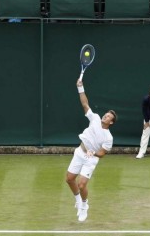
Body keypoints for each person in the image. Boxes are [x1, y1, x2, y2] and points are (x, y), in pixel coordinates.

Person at [65, 77, 116, 222]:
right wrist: (80, 87)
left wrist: (93, 153)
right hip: (79, 152)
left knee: (81, 185)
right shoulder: (95, 118)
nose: (105, 116)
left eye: (108, 117)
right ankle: (78, 200)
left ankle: (84, 205)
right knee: (69, 179)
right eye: (106, 114)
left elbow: (102, 153)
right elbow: (85, 104)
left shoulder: (108, 137)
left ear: (111, 122)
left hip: (90, 159)